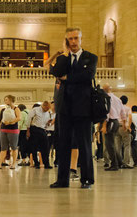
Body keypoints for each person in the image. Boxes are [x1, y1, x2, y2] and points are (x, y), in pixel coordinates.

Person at [49, 27, 98, 189]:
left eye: (76, 38)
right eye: (70, 39)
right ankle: (62, 180)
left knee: (84, 145)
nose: (73, 42)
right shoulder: (64, 58)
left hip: (83, 109)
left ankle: (87, 180)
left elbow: (87, 76)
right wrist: (64, 54)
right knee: (63, 145)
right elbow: (55, 72)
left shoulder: (90, 57)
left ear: (81, 39)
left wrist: (67, 78)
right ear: (66, 41)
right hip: (64, 108)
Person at [101, 84, 125, 171]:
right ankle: (119, 162)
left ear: (104, 90)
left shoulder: (106, 98)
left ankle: (114, 164)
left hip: (110, 122)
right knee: (112, 144)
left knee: (109, 144)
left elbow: (106, 113)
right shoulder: (117, 99)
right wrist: (125, 123)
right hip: (116, 122)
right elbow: (123, 112)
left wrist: (104, 126)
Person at [0, 95, 21, 169]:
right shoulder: (3, 110)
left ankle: (13, 164)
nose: (5, 101)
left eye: (6, 99)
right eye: (5, 100)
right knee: (3, 148)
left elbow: (19, 118)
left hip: (13, 130)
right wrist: (0, 126)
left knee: (13, 147)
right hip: (3, 130)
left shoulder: (16, 109)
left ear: (11, 100)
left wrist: (11, 122)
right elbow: (1, 119)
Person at [26, 101, 53, 170]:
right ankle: (36, 163)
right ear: (43, 105)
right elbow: (29, 119)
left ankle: (46, 163)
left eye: (48, 109)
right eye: (47, 108)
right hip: (34, 129)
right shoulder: (35, 110)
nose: (47, 110)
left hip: (42, 130)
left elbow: (46, 124)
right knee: (34, 147)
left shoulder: (47, 113)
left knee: (46, 147)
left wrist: (48, 123)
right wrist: (28, 130)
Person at [115, 95, 133, 169]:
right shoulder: (128, 108)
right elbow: (130, 117)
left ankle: (118, 162)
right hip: (124, 127)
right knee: (127, 145)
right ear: (127, 101)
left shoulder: (116, 108)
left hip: (116, 127)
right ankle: (126, 163)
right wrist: (129, 126)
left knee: (117, 146)